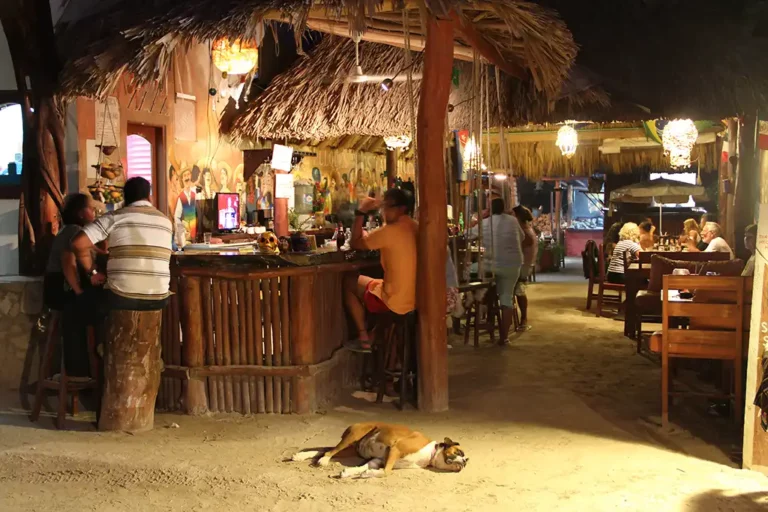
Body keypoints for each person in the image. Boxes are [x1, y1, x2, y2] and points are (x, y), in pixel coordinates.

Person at [72, 177, 173, 310]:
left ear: (125, 199)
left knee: (87, 299)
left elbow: (77, 243)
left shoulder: (115, 217)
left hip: (121, 297)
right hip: (159, 298)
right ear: (150, 198)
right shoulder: (166, 221)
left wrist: (93, 272)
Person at [343, 188, 418, 351]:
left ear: (401, 209)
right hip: (416, 299)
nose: (383, 212)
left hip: (396, 302)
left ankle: (364, 338)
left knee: (350, 281)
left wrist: (361, 211)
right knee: (378, 282)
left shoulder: (389, 231)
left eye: (386, 207)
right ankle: (376, 335)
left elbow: (355, 242)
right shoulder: (415, 227)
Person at [43, 193, 103, 378]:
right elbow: (67, 262)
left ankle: (86, 367)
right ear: (80, 213)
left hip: (58, 289)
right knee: (97, 309)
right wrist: (78, 292)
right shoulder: (74, 232)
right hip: (62, 289)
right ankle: (84, 370)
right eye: (90, 208)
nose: (94, 211)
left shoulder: (71, 230)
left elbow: (98, 251)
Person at [471, 197, 524, 344]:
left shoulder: (485, 223)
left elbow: (468, 235)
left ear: (490, 209)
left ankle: (478, 300)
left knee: (467, 271)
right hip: (513, 265)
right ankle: (504, 337)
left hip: (489, 266)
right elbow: (523, 237)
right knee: (506, 299)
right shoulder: (513, 221)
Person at [513, 205, 537, 331]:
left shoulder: (525, 232)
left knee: (519, 291)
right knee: (518, 291)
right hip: (522, 265)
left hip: (521, 267)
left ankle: (523, 319)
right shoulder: (525, 229)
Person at [174, 169, 197, 241]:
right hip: (186, 236)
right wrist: (183, 230)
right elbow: (176, 217)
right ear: (182, 179)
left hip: (196, 234)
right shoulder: (181, 197)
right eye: (185, 176)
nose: (187, 177)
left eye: (188, 175)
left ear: (191, 177)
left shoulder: (195, 195)